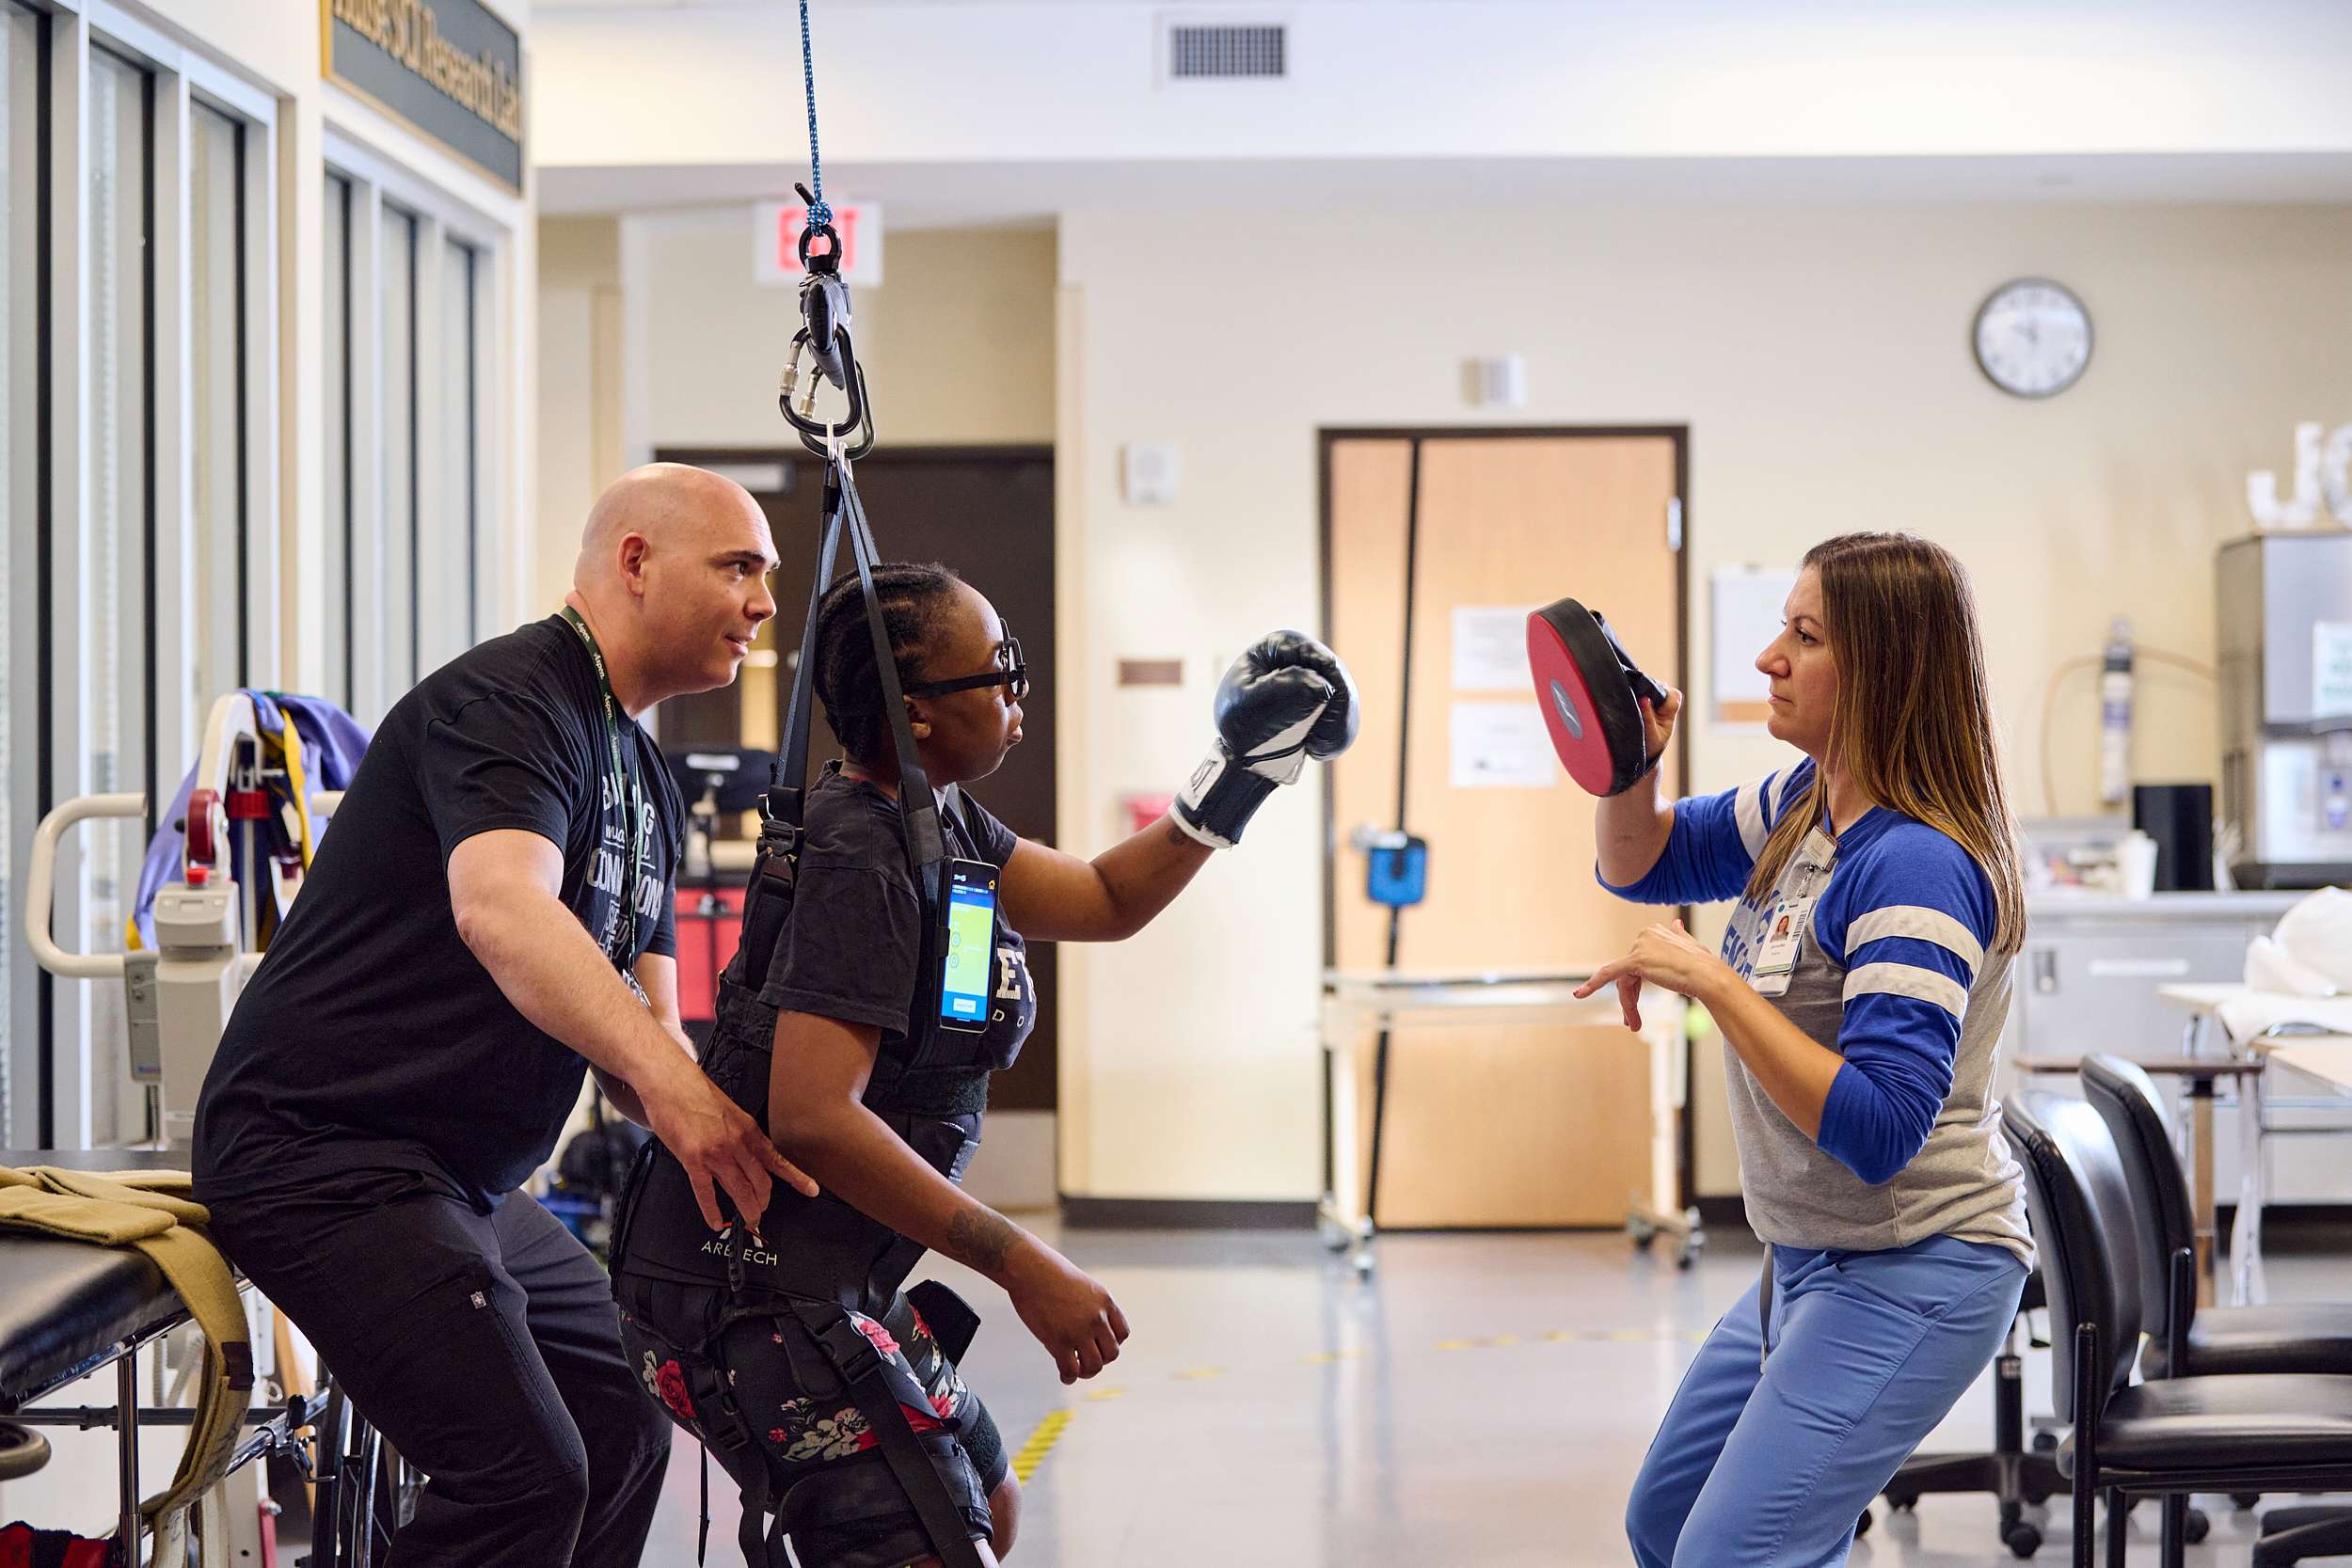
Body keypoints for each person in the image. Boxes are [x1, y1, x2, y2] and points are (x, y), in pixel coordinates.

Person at [611, 562, 1358, 1568]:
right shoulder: (859, 854)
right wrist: (1021, 1259)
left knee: (987, 1502)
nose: (1017, 694)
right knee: (923, 1539)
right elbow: (815, 1115)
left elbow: (1101, 898)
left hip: (833, 1275)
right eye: (998, 671)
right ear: (917, 713)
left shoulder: (937, 819)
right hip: (739, 1290)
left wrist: (1240, 771)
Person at [192, 464, 814, 1568]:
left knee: (624, 1426)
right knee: (525, 1472)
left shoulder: (645, 777)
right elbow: (502, 908)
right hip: (324, 1154)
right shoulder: (511, 700)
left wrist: (735, 1137)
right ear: (635, 561)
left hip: (460, 1177)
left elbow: (650, 1031)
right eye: (739, 567)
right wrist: (677, 1095)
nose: (767, 602)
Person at [1580, 531, 2033, 1568]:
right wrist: (1627, 766)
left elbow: (1879, 1129)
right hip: (1808, 1257)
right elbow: (1638, 859)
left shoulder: (1915, 864)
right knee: (1664, 1522)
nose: (1767, 657)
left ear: (1884, 669)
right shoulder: (1804, 804)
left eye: (1804, 635)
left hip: (1919, 1262)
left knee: (1731, 1554)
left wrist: (1715, 982)